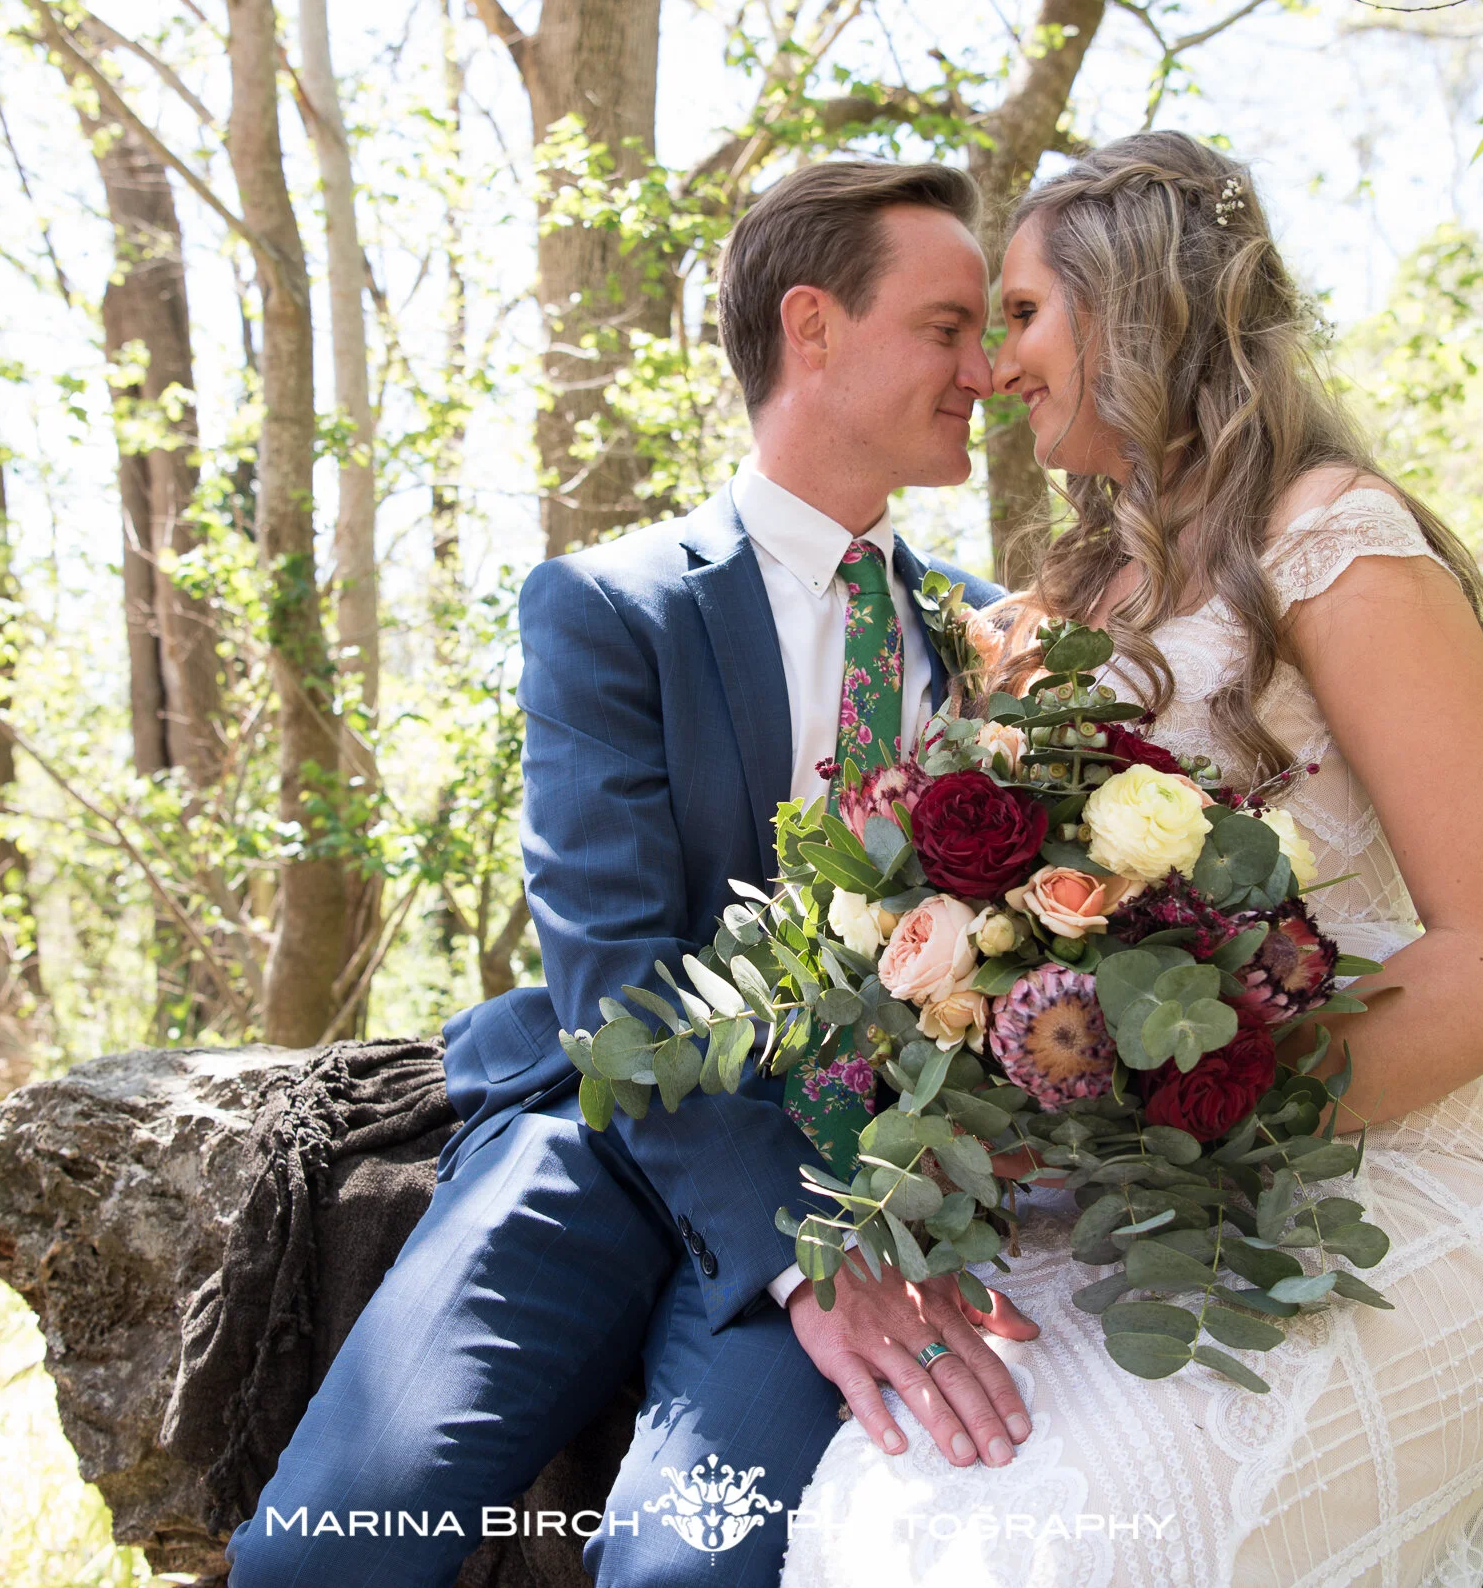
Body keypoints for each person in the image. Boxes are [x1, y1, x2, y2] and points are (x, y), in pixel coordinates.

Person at [778, 133, 1483, 1585]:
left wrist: (1195, 1114)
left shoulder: (1338, 545)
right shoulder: (1059, 599)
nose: (993, 367)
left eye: (1020, 314)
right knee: (886, 1525)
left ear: (1134, 304)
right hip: (1115, 1219)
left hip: (1365, 1204)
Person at [226, 159, 1038, 1588]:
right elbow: (610, 968)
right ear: (815, 327)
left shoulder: (993, 642)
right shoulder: (615, 606)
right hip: (601, 1125)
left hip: (859, 1161)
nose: (988, 369)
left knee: (695, 1572)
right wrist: (803, 1261)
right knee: (327, 1543)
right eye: (949, 326)